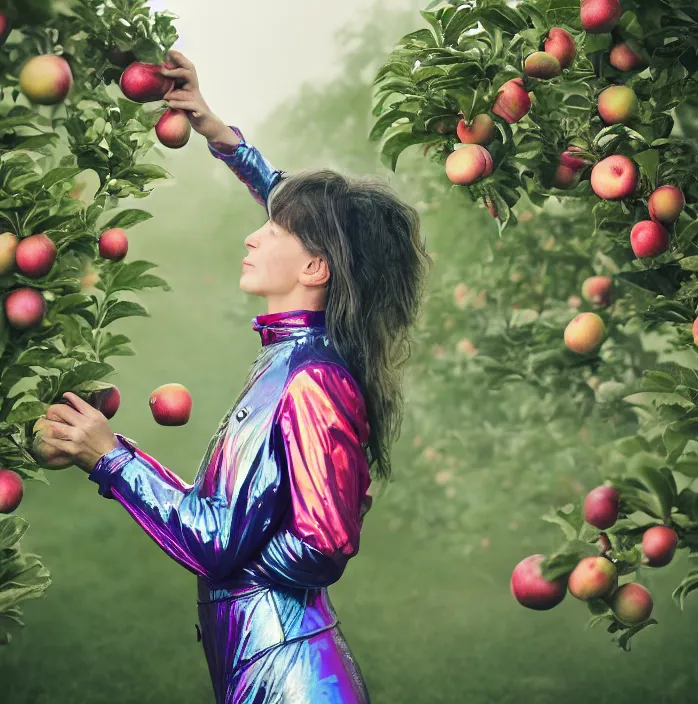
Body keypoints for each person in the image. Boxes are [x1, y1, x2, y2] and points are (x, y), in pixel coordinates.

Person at [40, 49, 433, 704]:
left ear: (315, 269)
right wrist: (215, 131)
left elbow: (265, 544)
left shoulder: (310, 382)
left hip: (290, 678)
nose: (254, 237)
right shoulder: (294, 360)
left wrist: (109, 457)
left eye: (274, 229)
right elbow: (313, 215)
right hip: (266, 662)